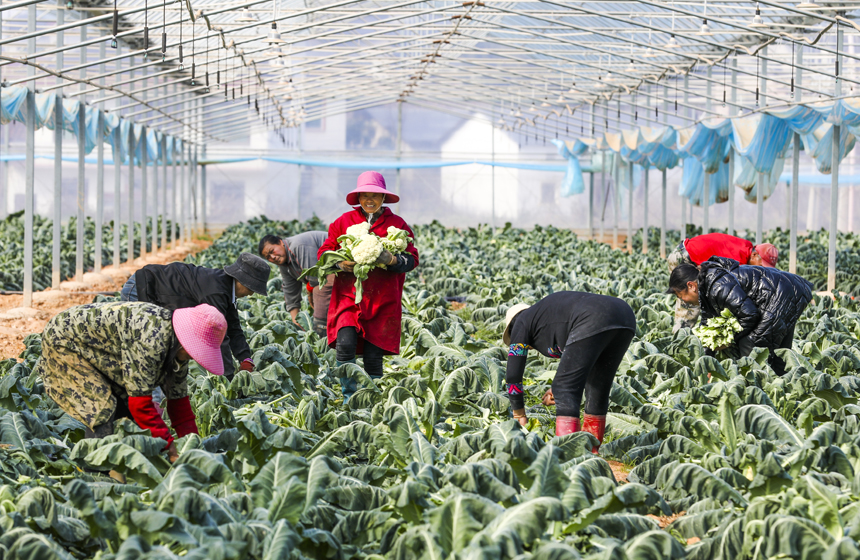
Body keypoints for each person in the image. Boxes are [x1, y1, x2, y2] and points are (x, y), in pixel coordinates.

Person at [35, 302, 227, 463]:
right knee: (101, 408)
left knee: (125, 410)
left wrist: (193, 447)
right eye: (195, 351)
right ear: (185, 342)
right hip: (66, 341)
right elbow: (140, 404)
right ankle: (95, 470)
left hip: (102, 349)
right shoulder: (153, 338)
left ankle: (120, 465)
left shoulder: (178, 350)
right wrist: (171, 450)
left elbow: (179, 404)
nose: (194, 357)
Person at [319, 171, 419, 401]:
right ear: (359, 198)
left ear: (383, 199)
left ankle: (373, 398)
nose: (370, 200)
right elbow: (323, 253)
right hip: (348, 296)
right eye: (365, 195)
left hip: (382, 299)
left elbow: (412, 260)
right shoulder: (343, 222)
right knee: (345, 345)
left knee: (374, 354)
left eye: (376, 195)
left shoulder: (397, 224)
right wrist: (340, 264)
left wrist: (392, 260)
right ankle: (349, 396)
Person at [503, 292, 636, 452]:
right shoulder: (546, 317)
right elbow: (579, 363)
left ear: (512, 329)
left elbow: (513, 374)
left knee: (564, 388)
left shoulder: (521, 322)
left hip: (593, 317)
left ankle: (569, 455)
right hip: (625, 316)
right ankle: (590, 453)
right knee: (597, 386)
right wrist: (555, 389)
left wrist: (519, 415)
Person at [120, 253, 271, 380]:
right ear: (241, 280)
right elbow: (219, 339)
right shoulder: (216, 291)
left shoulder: (225, 289)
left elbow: (232, 326)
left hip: (153, 293)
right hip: (140, 289)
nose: (251, 293)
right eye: (252, 288)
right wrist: (229, 379)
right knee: (150, 350)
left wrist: (245, 358)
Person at [668, 257, 812, 377]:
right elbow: (707, 323)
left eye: (681, 296)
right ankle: (786, 384)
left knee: (752, 345)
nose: (683, 301)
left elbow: (749, 315)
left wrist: (729, 339)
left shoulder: (718, 286)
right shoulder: (706, 287)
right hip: (785, 291)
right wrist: (708, 363)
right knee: (777, 354)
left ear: (691, 286)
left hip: (784, 294)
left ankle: (757, 391)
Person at [667, 233, 779, 332]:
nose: (761, 270)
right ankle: (680, 341)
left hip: (686, 253)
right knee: (690, 300)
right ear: (754, 255)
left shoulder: (745, 248)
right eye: (761, 266)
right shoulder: (738, 259)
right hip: (685, 257)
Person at [258, 231, 331, 337]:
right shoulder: (284, 263)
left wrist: (310, 294)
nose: (272, 257)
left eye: (272, 251)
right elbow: (290, 290)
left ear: (280, 242)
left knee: (320, 321)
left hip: (344, 265)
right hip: (326, 277)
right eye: (268, 257)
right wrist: (296, 321)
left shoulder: (298, 245)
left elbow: (316, 277)